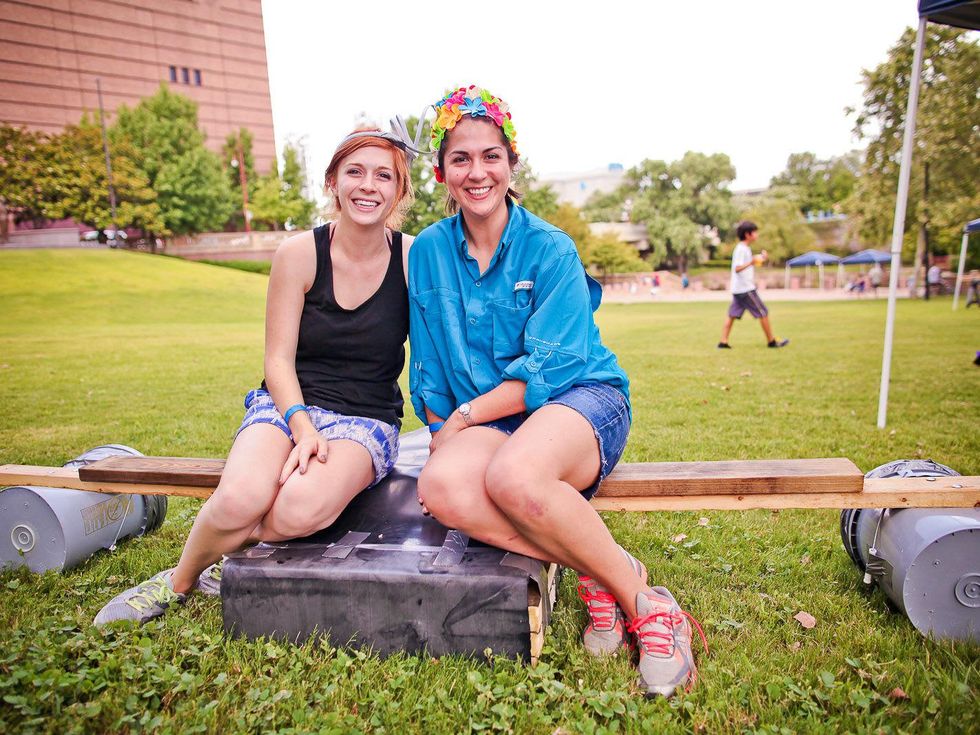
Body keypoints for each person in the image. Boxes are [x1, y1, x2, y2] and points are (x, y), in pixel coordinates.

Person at [408, 85, 705, 698]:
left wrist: (464, 418)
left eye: (490, 156)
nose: (476, 171)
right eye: (460, 158)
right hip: (486, 419)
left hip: (580, 400)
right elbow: (430, 366)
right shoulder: (430, 251)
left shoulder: (550, 248)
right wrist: (443, 433)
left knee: (514, 476)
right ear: (442, 172)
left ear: (512, 163)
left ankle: (649, 607)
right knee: (439, 487)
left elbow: (552, 366)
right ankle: (596, 570)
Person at [94, 126, 419, 625]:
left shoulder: (413, 259)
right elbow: (278, 361)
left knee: (298, 510)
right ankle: (178, 581)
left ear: (400, 190)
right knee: (240, 497)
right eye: (354, 172)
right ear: (332, 181)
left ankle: (222, 552)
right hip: (287, 404)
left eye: (383, 176)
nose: (368, 186)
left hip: (366, 420)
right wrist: (301, 425)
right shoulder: (298, 254)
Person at [717, 221, 788, 349]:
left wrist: (760, 258)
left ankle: (723, 342)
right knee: (763, 312)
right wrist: (751, 262)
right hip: (745, 289)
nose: (757, 235)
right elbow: (737, 268)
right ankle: (771, 341)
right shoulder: (741, 249)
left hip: (738, 289)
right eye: (755, 232)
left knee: (732, 315)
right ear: (747, 234)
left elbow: (750, 262)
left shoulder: (745, 249)